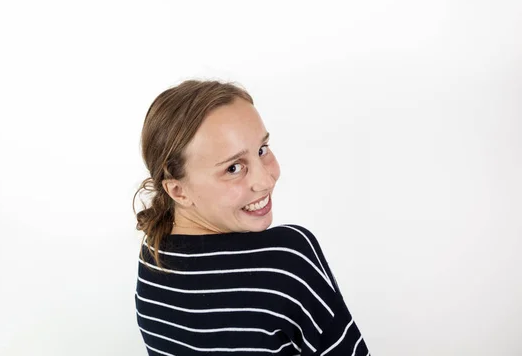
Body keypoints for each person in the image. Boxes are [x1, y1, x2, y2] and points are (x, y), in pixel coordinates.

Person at [133, 80, 371, 355]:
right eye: (233, 168)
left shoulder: (152, 254)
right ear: (177, 190)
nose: (266, 180)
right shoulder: (286, 258)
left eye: (262, 150)